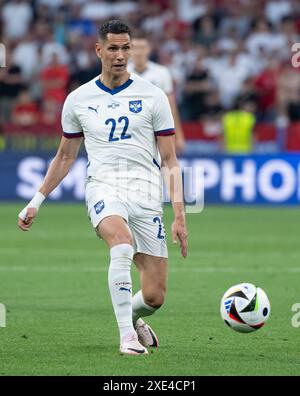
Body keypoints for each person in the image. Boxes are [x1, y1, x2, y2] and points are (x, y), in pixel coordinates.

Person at [18, 20, 188, 356]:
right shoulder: (78, 99)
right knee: (120, 244)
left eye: (126, 48)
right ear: (99, 50)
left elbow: (170, 161)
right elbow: (65, 156)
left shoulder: (153, 96)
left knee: (155, 296)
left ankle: (135, 317)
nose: (121, 55)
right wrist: (36, 200)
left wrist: (180, 216)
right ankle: (127, 336)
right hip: (104, 187)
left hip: (146, 192)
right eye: (113, 48)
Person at [128, 35, 186, 154]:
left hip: (157, 129)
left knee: (161, 167)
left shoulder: (161, 73)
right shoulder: (122, 73)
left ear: (148, 49)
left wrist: (179, 136)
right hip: (130, 132)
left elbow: (171, 106)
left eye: (142, 47)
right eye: (135, 48)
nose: (138, 52)